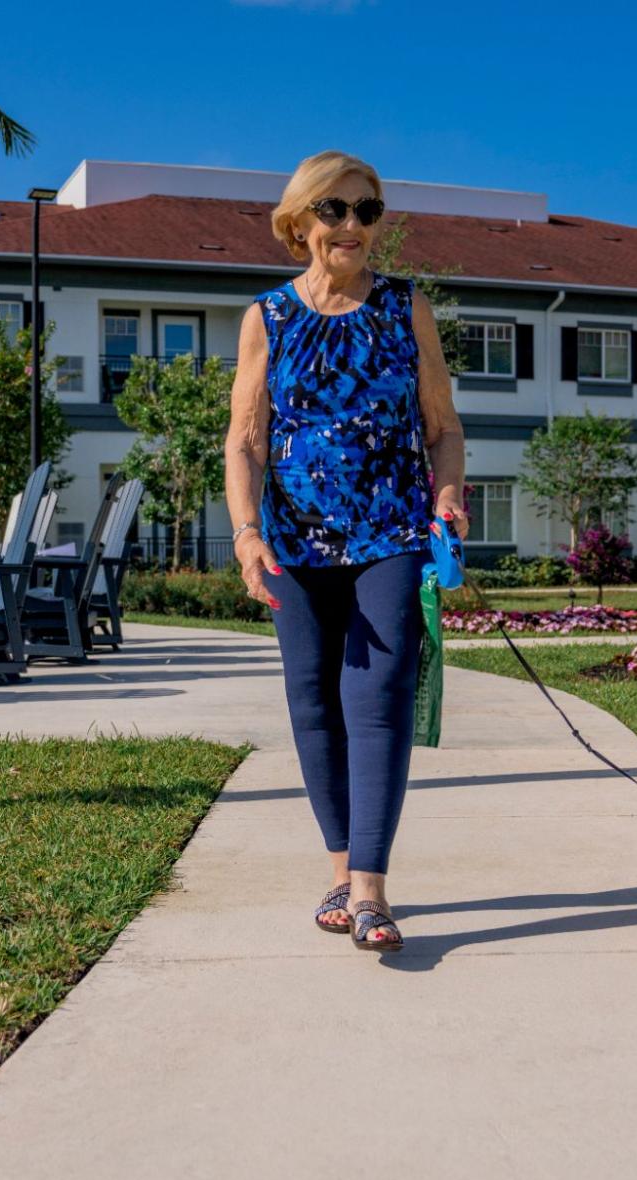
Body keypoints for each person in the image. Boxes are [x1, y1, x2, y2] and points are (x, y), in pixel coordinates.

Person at [222, 149, 468, 954]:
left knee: (378, 696)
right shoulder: (269, 317)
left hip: (390, 533)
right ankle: (338, 871)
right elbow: (246, 441)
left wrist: (447, 492)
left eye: (367, 210)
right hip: (294, 543)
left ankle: (369, 890)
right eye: (335, 210)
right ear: (299, 222)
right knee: (312, 703)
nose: (353, 225)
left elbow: (443, 427)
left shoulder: (405, 309)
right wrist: (247, 531)